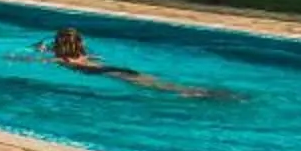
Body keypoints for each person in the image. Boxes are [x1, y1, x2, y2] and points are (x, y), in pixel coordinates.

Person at [32, 25, 227, 99]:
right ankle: (190, 89)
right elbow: (96, 58)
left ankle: (187, 91)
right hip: (111, 68)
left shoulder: (61, 59)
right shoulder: (87, 56)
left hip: (100, 73)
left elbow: (33, 59)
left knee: (151, 86)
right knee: (152, 81)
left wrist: (40, 50)